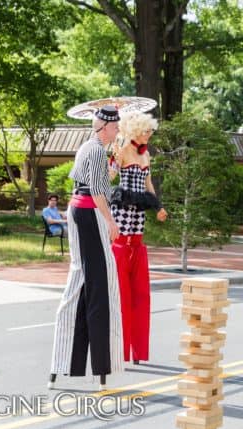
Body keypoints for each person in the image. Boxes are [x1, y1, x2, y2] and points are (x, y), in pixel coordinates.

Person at [48, 105, 123, 391]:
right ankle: (101, 367)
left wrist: (112, 165)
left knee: (80, 281)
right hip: (90, 214)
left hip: (79, 212)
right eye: (115, 127)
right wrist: (111, 222)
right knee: (101, 286)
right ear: (104, 126)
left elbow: (99, 182)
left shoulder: (88, 148)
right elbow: (97, 193)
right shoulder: (94, 151)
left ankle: (63, 362)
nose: (118, 132)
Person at [109, 111, 167, 365]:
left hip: (138, 214)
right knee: (122, 251)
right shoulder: (122, 149)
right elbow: (110, 177)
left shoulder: (145, 154)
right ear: (135, 131)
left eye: (150, 131)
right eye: (146, 131)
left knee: (137, 251)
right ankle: (118, 348)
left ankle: (137, 350)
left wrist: (158, 206)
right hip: (122, 210)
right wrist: (111, 155)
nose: (150, 134)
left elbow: (148, 183)